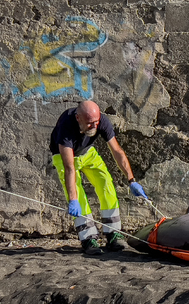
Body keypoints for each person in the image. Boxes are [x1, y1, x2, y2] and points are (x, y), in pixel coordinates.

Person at [49, 100, 148, 255]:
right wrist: (73, 200)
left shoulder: (101, 121)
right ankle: (88, 239)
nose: (94, 126)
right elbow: (69, 167)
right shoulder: (66, 125)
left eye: (96, 122)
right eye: (89, 123)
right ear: (78, 118)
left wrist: (131, 180)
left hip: (87, 152)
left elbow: (117, 151)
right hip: (65, 157)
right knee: (77, 194)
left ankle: (113, 234)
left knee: (106, 183)